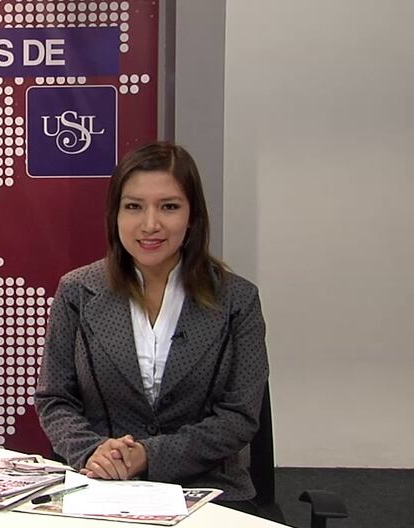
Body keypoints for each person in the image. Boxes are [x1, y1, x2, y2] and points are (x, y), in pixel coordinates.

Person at [34, 142, 269, 507]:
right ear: (115, 214)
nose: (150, 224)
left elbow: (239, 417)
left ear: (192, 216)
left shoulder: (237, 300)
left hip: (207, 489)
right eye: (134, 207)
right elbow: (55, 399)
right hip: (101, 483)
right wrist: (93, 452)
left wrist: (149, 455)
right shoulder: (77, 291)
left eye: (169, 206)